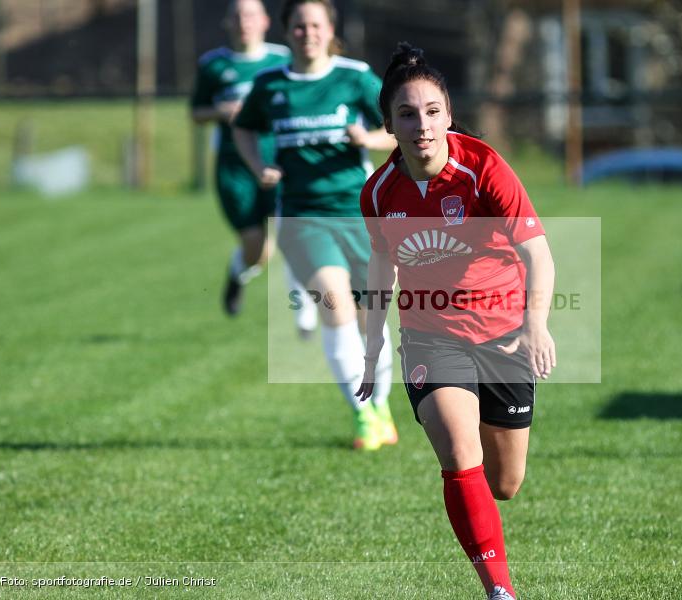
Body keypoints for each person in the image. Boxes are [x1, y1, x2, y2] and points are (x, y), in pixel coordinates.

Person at [356, 43, 556, 600]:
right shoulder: (378, 193)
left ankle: (485, 522)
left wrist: (536, 324)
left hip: (504, 334)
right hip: (430, 336)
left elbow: (538, 253)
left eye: (432, 112)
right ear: (388, 125)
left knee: (505, 483)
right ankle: (499, 591)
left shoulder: (484, 168)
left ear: (448, 115)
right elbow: (381, 264)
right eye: (406, 114)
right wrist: (372, 347)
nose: (421, 125)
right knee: (459, 454)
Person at [232, 0, 399, 450]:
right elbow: (243, 128)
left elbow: (400, 126)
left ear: (330, 29)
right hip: (302, 218)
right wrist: (258, 166)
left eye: (315, 25)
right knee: (334, 306)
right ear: (287, 31)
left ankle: (381, 406)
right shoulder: (270, 84)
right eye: (299, 26)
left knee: (371, 322)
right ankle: (362, 415)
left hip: (360, 216)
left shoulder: (355, 77)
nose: (308, 33)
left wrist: (369, 138)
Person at [191, 0, 317, 332]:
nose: (243, 22)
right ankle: (237, 273)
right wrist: (220, 111)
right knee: (257, 250)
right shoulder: (214, 65)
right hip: (235, 167)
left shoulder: (282, 60)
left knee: (292, 235)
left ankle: (303, 308)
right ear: (227, 22)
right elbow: (196, 112)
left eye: (250, 15)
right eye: (236, 16)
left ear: (264, 21)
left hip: (279, 162)